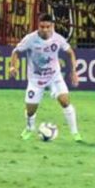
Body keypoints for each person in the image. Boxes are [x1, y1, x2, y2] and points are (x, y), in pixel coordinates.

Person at [9, 13, 82, 142]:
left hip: (54, 77)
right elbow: (16, 51)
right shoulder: (30, 39)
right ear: (38, 25)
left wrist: (74, 71)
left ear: (52, 26)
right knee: (30, 110)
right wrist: (13, 66)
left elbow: (70, 52)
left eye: (48, 27)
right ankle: (29, 128)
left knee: (65, 101)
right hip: (36, 80)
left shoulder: (58, 39)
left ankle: (75, 133)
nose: (45, 29)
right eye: (42, 27)